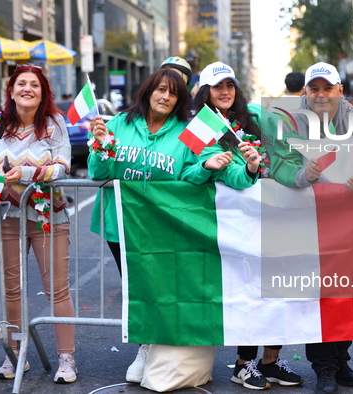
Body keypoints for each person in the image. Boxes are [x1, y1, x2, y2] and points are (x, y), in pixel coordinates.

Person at [87, 67, 232, 383]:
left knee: (156, 286)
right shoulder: (117, 124)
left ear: (179, 99)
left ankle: (149, 349)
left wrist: (205, 166)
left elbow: (190, 176)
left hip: (162, 225)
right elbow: (98, 173)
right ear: (148, 91)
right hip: (120, 222)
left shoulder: (188, 131)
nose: (166, 96)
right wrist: (100, 146)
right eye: (161, 89)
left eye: (174, 92)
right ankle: (145, 346)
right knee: (134, 286)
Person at [276, 62, 353, 394]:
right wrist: (303, 176)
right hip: (308, 225)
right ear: (305, 92)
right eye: (314, 89)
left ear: (340, 91)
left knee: (349, 294)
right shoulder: (290, 123)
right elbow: (280, 165)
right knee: (319, 298)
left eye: (327, 88)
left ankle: (341, 359)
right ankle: (324, 368)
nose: (321, 95)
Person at [193, 61, 304, 390]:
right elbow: (214, 173)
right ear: (205, 91)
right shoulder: (200, 126)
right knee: (251, 290)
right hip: (233, 221)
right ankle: (243, 364)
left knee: (280, 286)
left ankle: (271, 360)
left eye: (230, 85)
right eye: (217, 86)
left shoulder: (253, 116)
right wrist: (247, 168)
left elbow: (285, 147)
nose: (225, 91)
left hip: (271, 212)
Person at [0, 64, 77, 383]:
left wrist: (28, 174)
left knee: (57, 288)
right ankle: (14, 356)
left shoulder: (54, 122)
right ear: (11, 89)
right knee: (10, 291)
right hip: (5, 217)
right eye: (21, 84)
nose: (27, 88)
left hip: (48, 217)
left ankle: (66, 358)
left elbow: (63, 167)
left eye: (34, 84)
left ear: (43, 91)